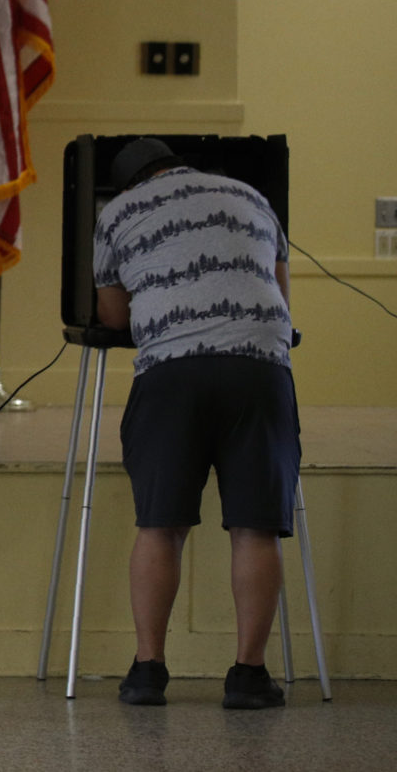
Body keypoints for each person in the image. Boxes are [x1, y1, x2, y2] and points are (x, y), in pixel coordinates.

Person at [93, 137, 298, 710]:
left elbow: (114, 315)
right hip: (259, 369)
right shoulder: (251, 196)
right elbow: (281, 294)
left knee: (160, 524)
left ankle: (147, 673)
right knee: (256, 526)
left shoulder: (119, 211)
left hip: (171, 374)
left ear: (130, 183)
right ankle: (249, 677)